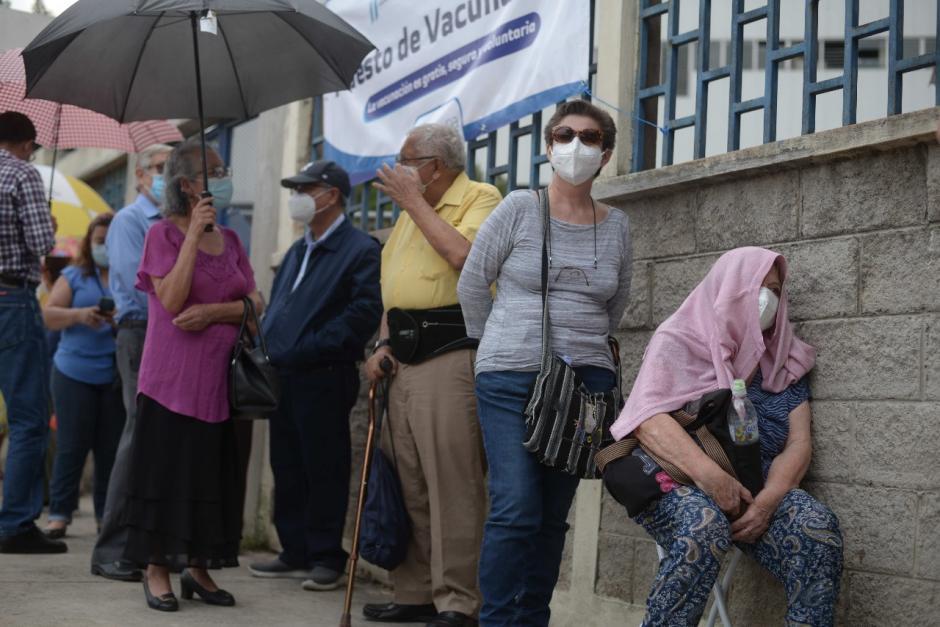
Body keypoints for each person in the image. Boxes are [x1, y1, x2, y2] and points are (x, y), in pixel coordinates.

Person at [457, 100, 632, 626]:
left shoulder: (619, 225)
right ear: (548, 144)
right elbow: (471, 285)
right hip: (511, 377)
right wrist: (502, 346)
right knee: (515, 507)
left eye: (590, 137)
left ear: (605, 155)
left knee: (552, 518)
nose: (576, 145)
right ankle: (495, 621)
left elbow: (615, 306)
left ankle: (532, 618)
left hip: (585, 386)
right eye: (565, 134)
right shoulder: (518, 207)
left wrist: (585, 349)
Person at [608, 247, 843, 627]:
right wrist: (714, 480)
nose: (768, 298)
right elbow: (648, 420)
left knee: (816, 529)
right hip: (682, 480)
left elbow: (798, 443)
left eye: (776, 289)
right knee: (704, 527)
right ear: (732, 288)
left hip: (756, 488)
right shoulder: (680, 338)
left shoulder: (783, 356)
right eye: (758, 287)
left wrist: (767, 502)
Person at [362, 123, 500, 627]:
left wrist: (414, 203)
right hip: (400, 356)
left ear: (435, 166)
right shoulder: (406, 215)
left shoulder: (480, 197)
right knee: (409, 481)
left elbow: (465, 258)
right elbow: (394, 290)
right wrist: (379, 343)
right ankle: (415, 592)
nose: (397, 170)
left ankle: (458, 601)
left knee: (452, 484)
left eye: (406, 160)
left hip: (449, 351)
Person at [120, 139, 262, 612]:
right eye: (214, 171)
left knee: (210, 477)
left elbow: (255, 307)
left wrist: (216, 312)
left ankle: (199, 570)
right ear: (187, 185)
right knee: (166, 476)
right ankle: (157, 569)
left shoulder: (235, 239)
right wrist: (193, 239)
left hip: (222, 384)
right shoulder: (161, 235)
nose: (224, 177)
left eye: (223, 169)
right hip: (171, 383)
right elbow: (175, 301)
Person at [249, 161, 382, 590]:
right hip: (282, 373)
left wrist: (309, 347)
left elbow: (361, 313)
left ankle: (327, 555)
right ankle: (295, 550)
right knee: (287, 464)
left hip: (323, 373)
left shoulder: (359, 248)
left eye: (307, 188)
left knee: (324, 465)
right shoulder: (298, 249)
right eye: (296, 188)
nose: (298, 196)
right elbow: (282, 305)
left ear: (333, 195)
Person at [91, 143, 171, 582]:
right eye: (159, 168)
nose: (165, 175)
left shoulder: (178, 224)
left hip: (168, 336)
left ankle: (145, 544)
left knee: (154, 440)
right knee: (136, 434)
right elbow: (139, 288)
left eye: (171, 169)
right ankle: (111, 549)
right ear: (140, 176)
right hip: (142, 333)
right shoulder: (130, 221)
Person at [0, 111, 62, 554]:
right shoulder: (23, 175)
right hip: (11, 301)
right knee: (27, 418)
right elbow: (42, 244)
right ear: (25, 143)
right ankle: (16, 524)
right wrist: (49, 227)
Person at [42, 213, 125, 539]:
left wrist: (120, 321)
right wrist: (80, 315)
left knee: (110, 448)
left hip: (113, 374)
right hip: (72, 373)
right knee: (71, 446)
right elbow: (49, 315)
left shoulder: (128, 276)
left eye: (109, 240)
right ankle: (60, 514)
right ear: (90, 243)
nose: (104, 246)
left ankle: (107, 516)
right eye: (99, 240)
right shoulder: (75, 276)